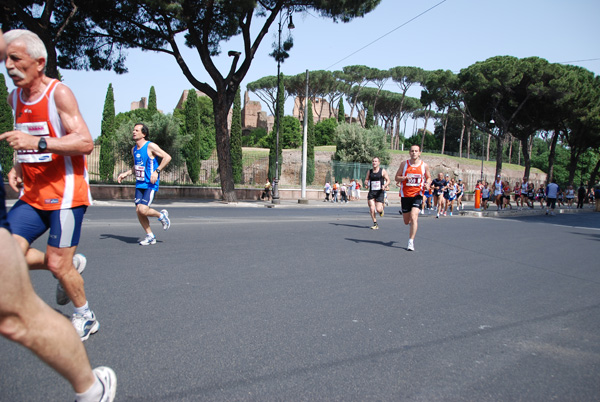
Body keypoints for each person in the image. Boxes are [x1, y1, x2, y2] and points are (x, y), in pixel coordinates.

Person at [0, 28, 116, 402]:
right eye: (6, 60)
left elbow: (84, 142)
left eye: (16, 59)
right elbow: (24, 133)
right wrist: (18, 163)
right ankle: (70, 264)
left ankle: (86, 315)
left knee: (56, 264)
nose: (9, 66)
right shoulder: (14, 95)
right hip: (32, 195)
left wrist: (38, 143)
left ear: (39, 62)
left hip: (65, 195)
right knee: (8, 254)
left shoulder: (58, 93)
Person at [117, 123, 172, 245]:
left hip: (150, 183)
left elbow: (167, 157)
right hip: (140, 184)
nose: (133, 132)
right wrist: (126, 173)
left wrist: (157, 172)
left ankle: (162, 215)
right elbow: (137, 166)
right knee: (138, 210)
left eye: (137, 130)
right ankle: (150, 236)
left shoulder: (150, 146)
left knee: (143, 209)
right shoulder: (134, 149)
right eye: (133, 129)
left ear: (144, 134)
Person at [395, 145, 432, 251]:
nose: (414, 153)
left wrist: (427, 184)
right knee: (407, 221)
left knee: (414, 216)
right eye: (412, 151)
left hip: (418, 194)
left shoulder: (424, 165)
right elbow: (396, 177)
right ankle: (411, 225)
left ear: (419, 153)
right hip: (405, 195)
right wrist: (403, 178)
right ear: (409, 153)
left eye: (416, 151)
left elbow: (428, 178)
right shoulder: (404, 164)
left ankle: (411, 241)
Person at [365, 156, 390, 230]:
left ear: (379, 163)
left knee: (378, 209)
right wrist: (366, 183)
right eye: (373, 161)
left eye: (376, 161)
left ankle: (381, 210)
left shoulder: (382, 171)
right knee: (372, 209)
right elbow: (366, 179)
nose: (374, 163)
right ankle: (375, 224)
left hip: (380, 192)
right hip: (372, 192)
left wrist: (385, 185)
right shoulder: (370, 171)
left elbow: (388, 180)